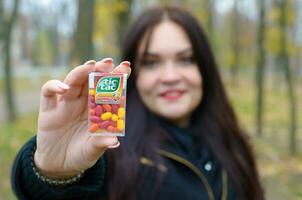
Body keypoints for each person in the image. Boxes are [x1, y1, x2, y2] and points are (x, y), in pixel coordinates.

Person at [11, 5, 264, 200]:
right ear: (134, 75)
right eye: (151, 63)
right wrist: (54, 172)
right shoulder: (111, 153)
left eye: (186, 59)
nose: (170, 77)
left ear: (205, 69)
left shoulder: (232, 142)